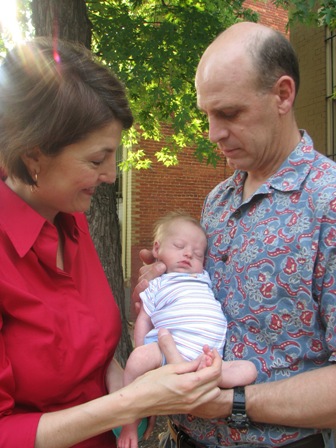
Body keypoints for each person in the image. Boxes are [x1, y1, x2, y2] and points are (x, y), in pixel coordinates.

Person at [0, 37, 224, 448]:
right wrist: (130, 403)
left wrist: (137, 384)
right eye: (96, 159)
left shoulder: (70, 217)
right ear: (33, 154)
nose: (110, 175)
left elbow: (96, 358)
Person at [133, 21, 336, 448]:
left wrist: (233, 402)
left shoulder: (328, 202)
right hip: (182, 435)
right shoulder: (216, 202)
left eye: (228, 113)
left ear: (283, 95)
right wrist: (166, 285)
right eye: (207, 115)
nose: (213, 134)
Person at [117, 211, 257, 448]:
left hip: (206, 357)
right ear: (157, 249)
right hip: (169, 347)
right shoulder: (157, 284)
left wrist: (213, 366)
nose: (188, 253)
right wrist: (142, 351)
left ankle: (212, 375)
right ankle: (129, 421)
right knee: (137, 360)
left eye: (198, 253)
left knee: (249, 370)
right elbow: (143, 319)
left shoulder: (203, 277)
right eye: (179, 246)